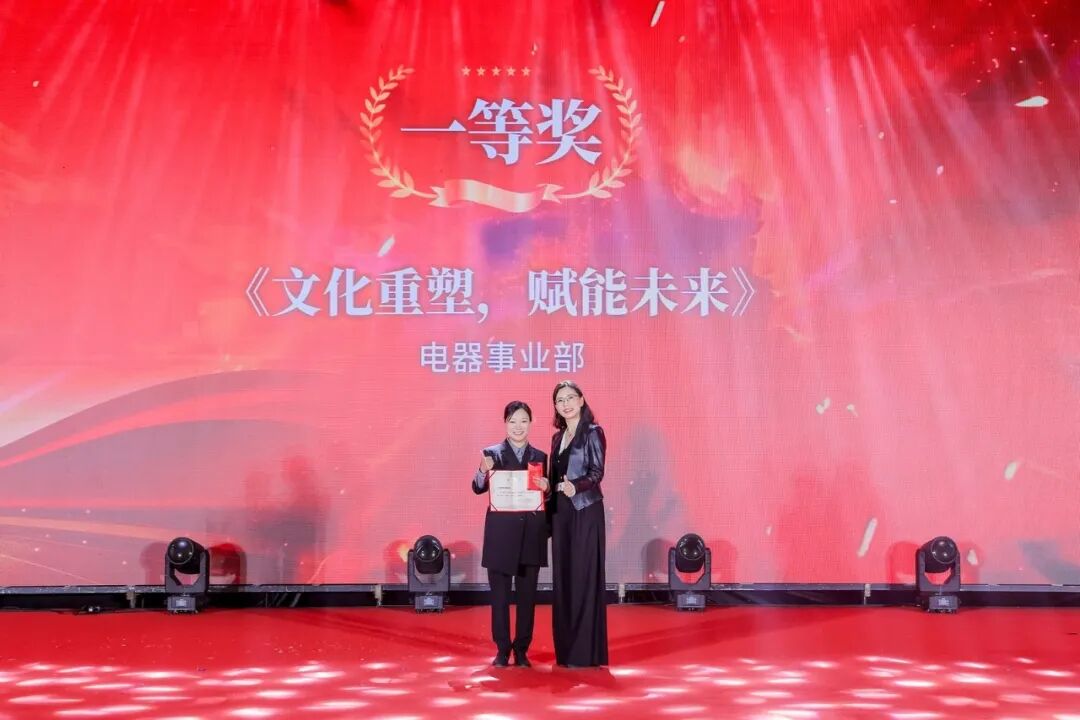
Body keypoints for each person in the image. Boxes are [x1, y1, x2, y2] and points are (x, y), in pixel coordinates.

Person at [471, 400, 550, 668]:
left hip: (530, 535)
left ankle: (522, 650)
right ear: (505, 423)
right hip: (501, 537)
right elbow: (477, 487)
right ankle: (502, 649)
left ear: (531, 423)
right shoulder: (491, 454)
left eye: (523, 421)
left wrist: (547, 487)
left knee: (527, 599)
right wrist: (482, 470)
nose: (518, 427)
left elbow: (544, 497)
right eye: (513, 421)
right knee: (500, 599)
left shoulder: (539, 456)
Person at [548, 380, 609, 667]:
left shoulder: (593, 432)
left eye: (570, 398)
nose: (566, 404)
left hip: (585, 510)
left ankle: (586, 652)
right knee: (564, 578)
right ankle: (567, 650)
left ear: (582, 400)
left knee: (583, 576)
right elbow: (554, 476)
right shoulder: (557, 438)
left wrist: (576, 486)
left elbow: (597, 472)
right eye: (560, 400)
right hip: (561, 513)